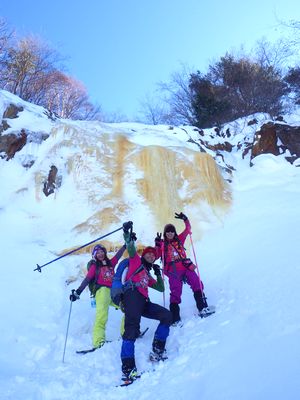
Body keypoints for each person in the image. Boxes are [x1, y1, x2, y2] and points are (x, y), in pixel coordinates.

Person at [120, 221, 172, 385]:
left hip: (143, 302)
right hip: (132, 297)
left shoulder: (147, 274)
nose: (151, 256)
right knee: (131, 330)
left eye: (153, 256)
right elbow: (131, 248)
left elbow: (160, 287)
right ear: (144, 256)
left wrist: (157, 274)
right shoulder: (136, 262)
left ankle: (157, 350)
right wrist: (127, 234)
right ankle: (128, 370)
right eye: (149, 254)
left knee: (166, 316)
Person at [155, 212, 208, 325]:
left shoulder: (179, 239)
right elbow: (156, 255)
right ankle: (175, 317)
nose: (170, 233)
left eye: (172, 231)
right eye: (168, 231)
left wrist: (185, 219)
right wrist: (157, 245)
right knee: (175, 292)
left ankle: (202, 307)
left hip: (185, 267)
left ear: (174, 232)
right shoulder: (163, 245)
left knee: (197, 283)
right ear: (165, 233)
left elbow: (187, 229)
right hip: (173, 271)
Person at [70, 243, 126, 349]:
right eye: (98, 253)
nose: (100, 254)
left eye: (102, 252)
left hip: (113, 292)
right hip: (102, 292)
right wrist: (78, 292)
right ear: (94, 255)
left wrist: (125, 245)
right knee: (102, 316)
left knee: (127, 308)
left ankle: (126, 333)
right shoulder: (95, 266)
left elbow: (118, 256)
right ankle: (98, 341)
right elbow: (87, 279)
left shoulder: (110, 264)